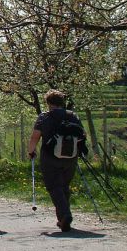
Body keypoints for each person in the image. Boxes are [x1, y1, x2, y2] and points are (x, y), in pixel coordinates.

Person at [28, 89, 86, 232]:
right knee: (64, 185)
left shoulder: (44, 117)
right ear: (62, 102)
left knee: (54, 186)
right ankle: (62, 219)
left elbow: (35, 137)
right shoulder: (73, 116)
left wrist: (31, 151)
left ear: (48, 103)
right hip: (71, 157)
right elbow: (82, 134)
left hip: (50, 157)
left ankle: (65, 215)